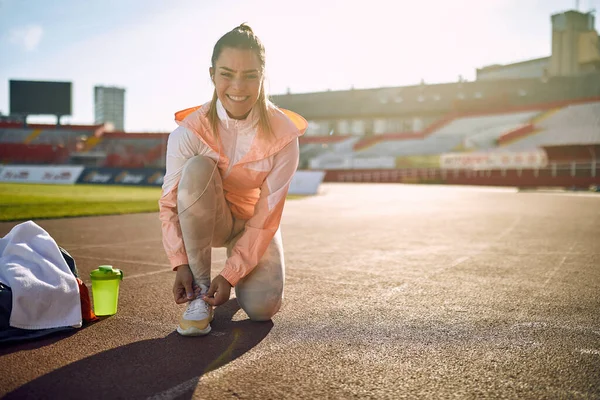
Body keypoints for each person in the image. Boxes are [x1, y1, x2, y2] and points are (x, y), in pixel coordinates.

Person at [158, 23, 307, 336]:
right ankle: (199, 296)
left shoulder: (284, 135)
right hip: (213, 221)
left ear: (262, 76)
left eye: (250, 75)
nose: (238, 86)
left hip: (253, 224)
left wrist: (230, 275)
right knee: (198, 168)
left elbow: (267, 218)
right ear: (212, 74)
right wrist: (180, 263)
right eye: (227, 73)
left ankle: (242, 266)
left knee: (263, 309)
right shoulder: (190, 131)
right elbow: (169, 202)